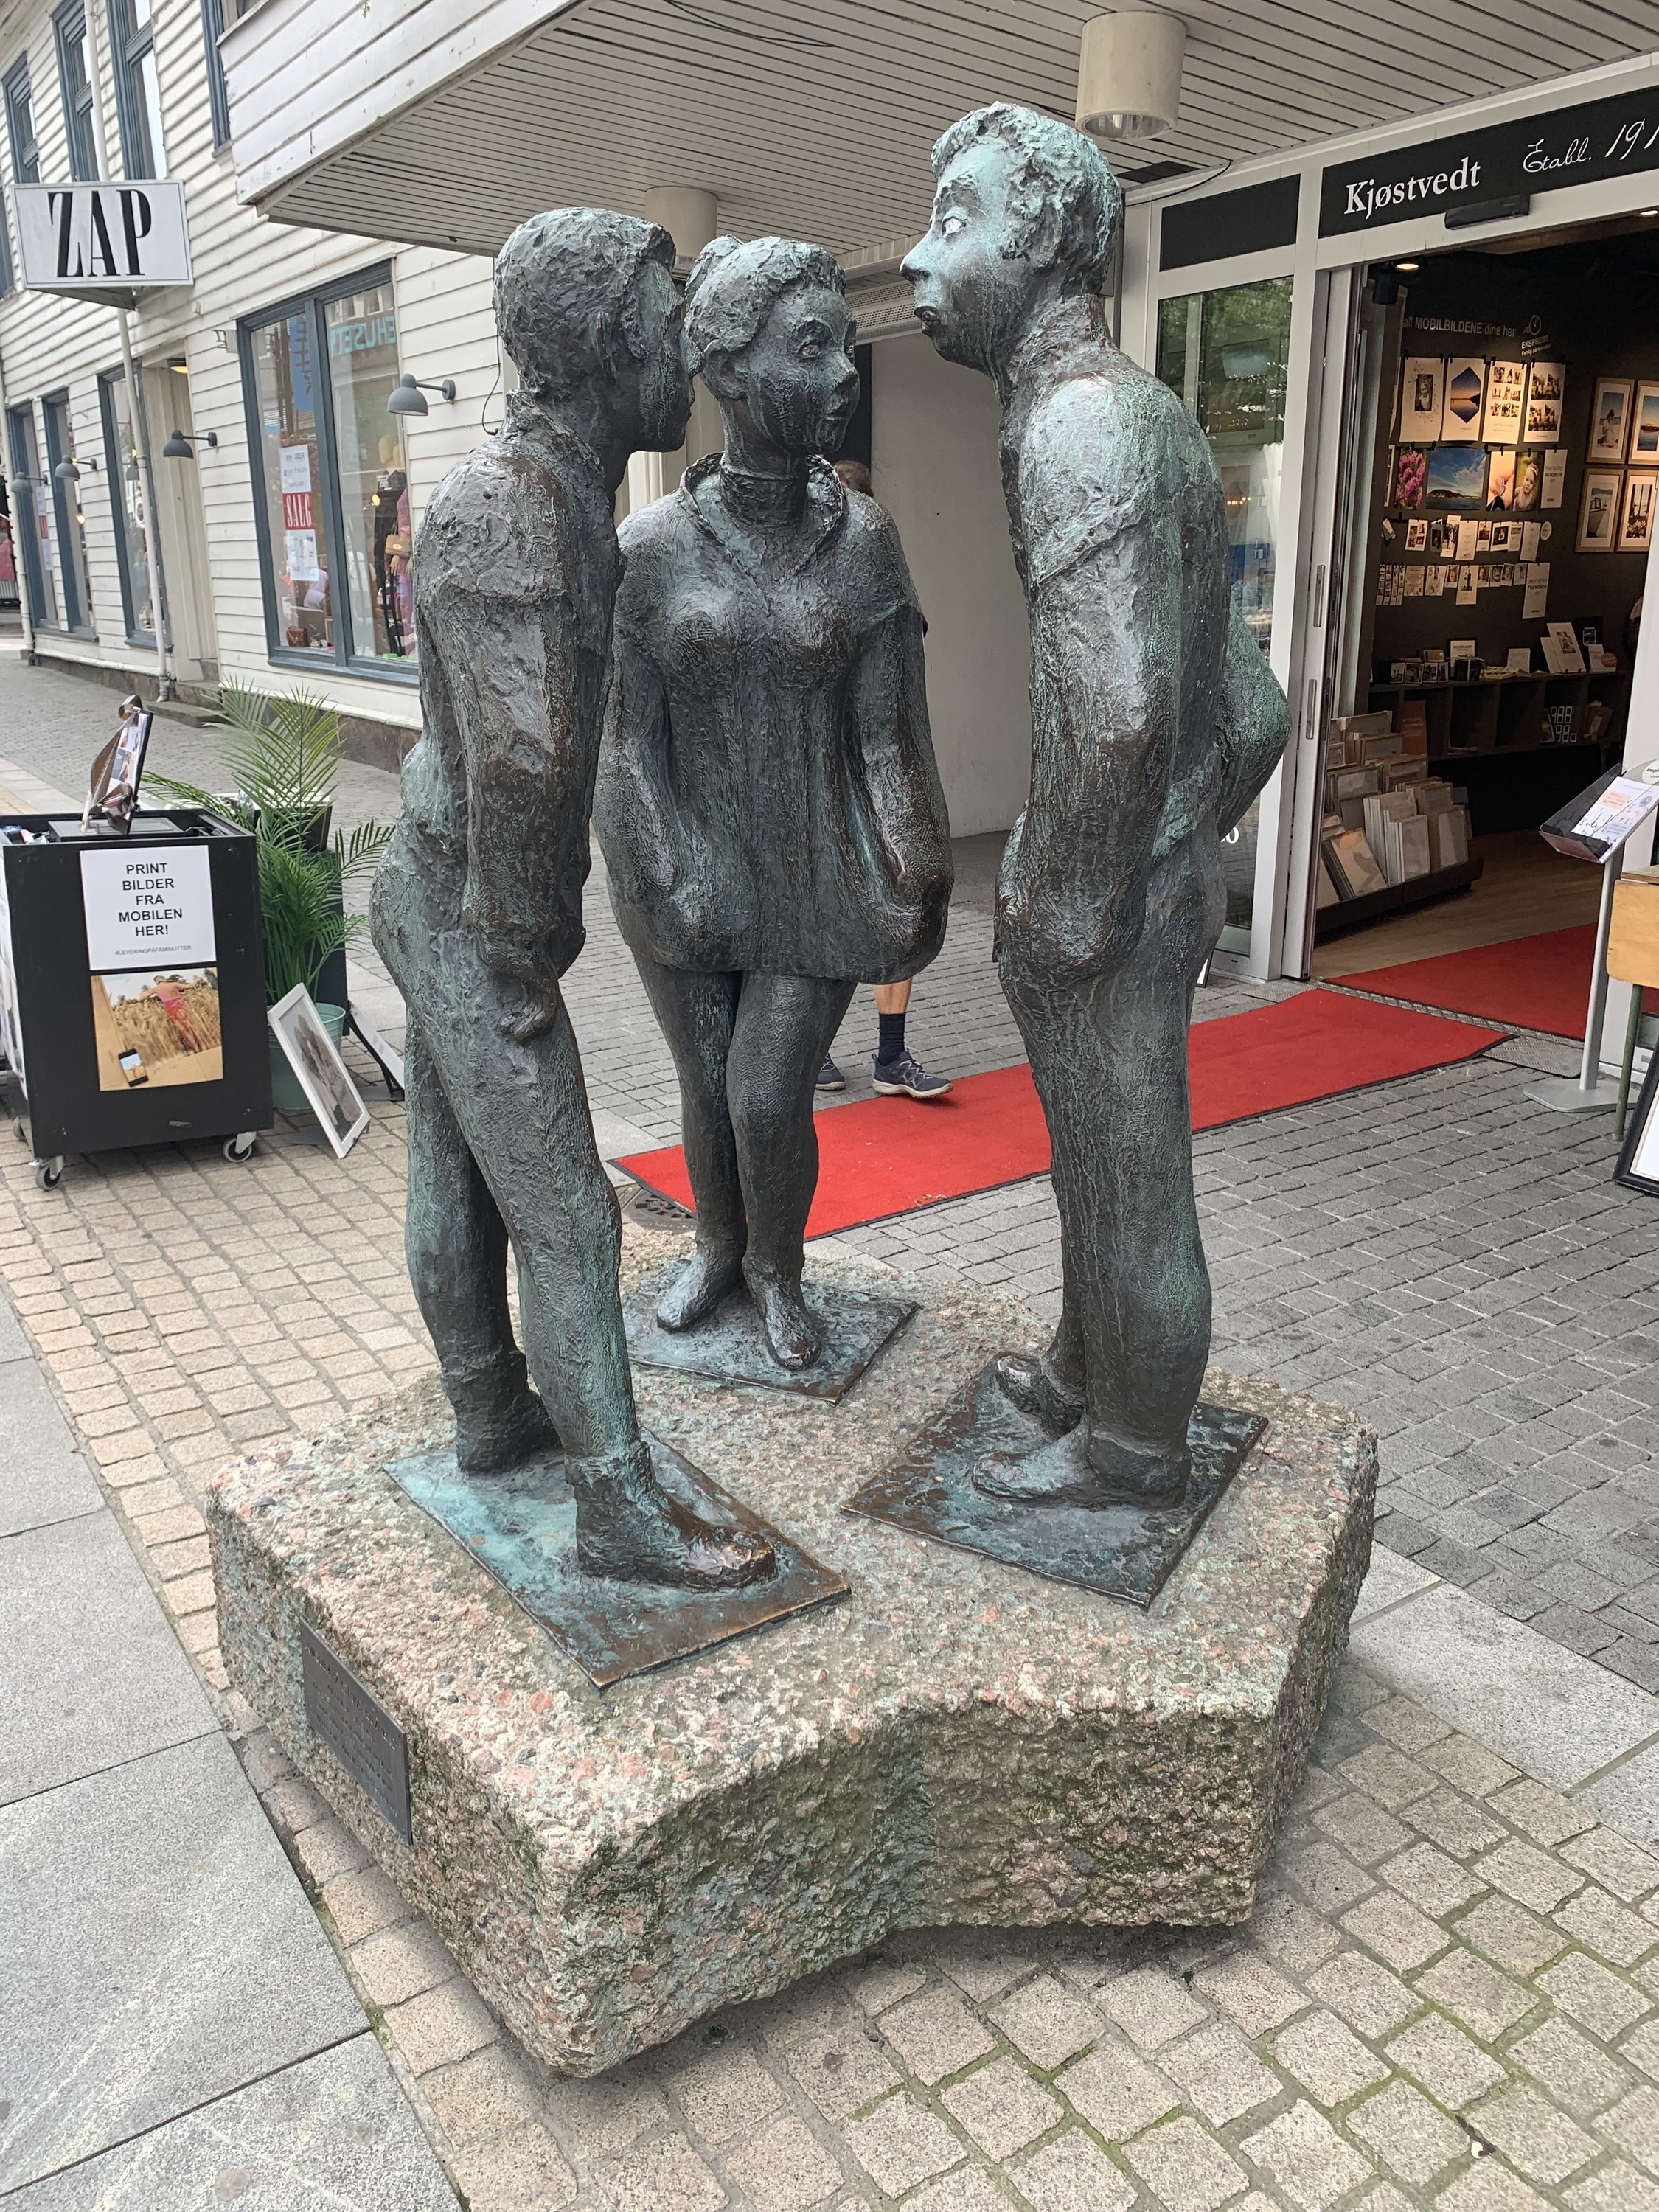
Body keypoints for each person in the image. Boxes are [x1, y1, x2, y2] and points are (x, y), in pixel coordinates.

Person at [371, 207, 772, 1591]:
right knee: (568, 1215)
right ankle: (615, 1504)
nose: (686, 353)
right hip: (471, 905)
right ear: (606, 343)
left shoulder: (546, 495)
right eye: (665, 325)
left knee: (452, 1167)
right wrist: (526, 942)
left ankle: (492, 1415)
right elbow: (531, 757)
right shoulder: (520, 510)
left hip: (439, 886)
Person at [902, 106, 1289, 1506]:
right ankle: (1085, 1366)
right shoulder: (1143, 414)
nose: (919, 255)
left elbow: (1120, 713)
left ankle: (1135, 1444)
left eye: (956, 220)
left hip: (1105, 883)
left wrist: (1070, 898)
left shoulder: (1076, 424)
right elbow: (1255, 708)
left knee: (1130, 1175)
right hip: (1144, 863)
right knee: (1097, 1160)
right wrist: (1180, 838)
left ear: (1050, 239)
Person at [596, 237, 952, 1370]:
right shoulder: (648, 548)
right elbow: (622, 740)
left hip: (816, 871)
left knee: (762, 1097)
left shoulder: (864, 540)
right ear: (728, 368)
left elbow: (890, 734)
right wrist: (663, 868)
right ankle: (716, 1249)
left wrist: (918, 866)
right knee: (705, 1089)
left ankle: (777, 1271)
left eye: (844, 348)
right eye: (812, 348)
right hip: (684, 872)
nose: (844, 374)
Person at [817, 456, 953, 1104]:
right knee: (824, 911)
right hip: (818, 776)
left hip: (879, 771)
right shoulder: (802, 585)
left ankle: (891, 1056)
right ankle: (810, 1047)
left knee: (902, 901)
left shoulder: (887, 583)